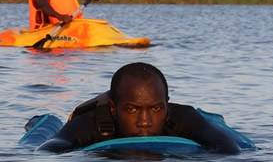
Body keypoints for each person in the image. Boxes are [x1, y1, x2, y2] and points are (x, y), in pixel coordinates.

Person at [36, 62, 242, 154]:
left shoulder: (182, 117)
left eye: (156, 109)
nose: (145, 121)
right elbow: (49, 149)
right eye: (132, 110)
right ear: (114, 110)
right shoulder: (92, 124)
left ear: (166, 105)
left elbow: (229, 149)